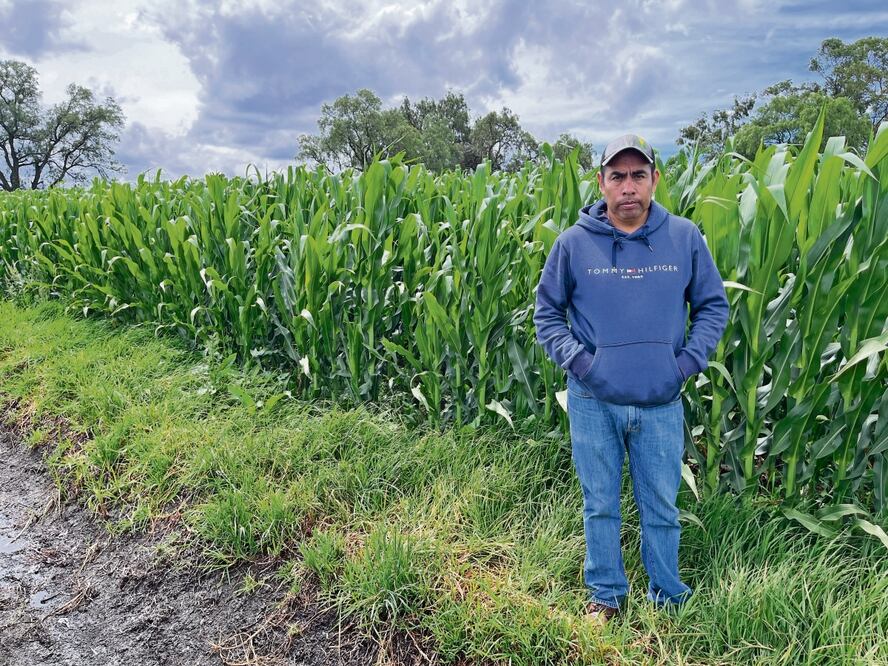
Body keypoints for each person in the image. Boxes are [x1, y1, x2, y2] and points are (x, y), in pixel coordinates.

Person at [533, 134, 729, 623]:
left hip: (660, 401)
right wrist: (584, 365)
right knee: (600, 504)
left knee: (661, 506)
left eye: (638, 175)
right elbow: (547, 314)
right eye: (617, 176)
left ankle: (668, 595)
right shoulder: (573, 244)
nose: (628, 187)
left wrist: (684, 365)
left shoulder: (684, 237)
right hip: (592, 401)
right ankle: (606, 595)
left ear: (654, 180)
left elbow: (713, 306)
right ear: (601, 182)